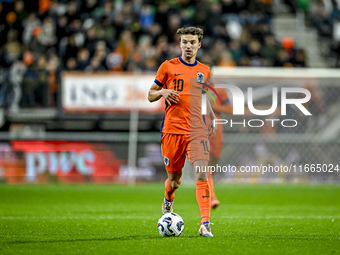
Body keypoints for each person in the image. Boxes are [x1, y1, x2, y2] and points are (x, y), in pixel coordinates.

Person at [148, 26, 217, 237]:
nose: (188, 46)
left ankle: (205, 223)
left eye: (192, 42)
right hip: (172, 131)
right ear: (180, 44)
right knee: (175, 181)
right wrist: (163, 91)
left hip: (197, 131)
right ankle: (168, 197)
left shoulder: (204, 70)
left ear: (199, 44)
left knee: (201, 173)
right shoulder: (167, 67)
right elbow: (150, 95)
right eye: (185, 42)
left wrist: (212, 116)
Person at [202, 61, 233, 209]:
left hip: (216, 127)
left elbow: (230, 109)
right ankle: (211, 197)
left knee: (214, 161)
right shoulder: (192, 88)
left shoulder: (219, 89)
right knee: (204, 162)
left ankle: (207, 185)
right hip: (198, 126)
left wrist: (212, 106)